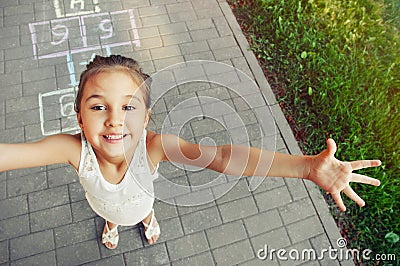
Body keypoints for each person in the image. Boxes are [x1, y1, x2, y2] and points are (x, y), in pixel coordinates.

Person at [0, 55, 381, 250]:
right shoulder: (71, 149)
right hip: (102, 203)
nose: (114, 120)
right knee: (108, 211)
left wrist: (304, 168)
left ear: (146, 118)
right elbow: (11, 155)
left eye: (128, 107)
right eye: (98, 107)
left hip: (142, 197)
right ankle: (113, 224)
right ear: (79, 118)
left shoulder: (154, 147)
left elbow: (221, 157)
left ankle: (146, 219)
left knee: (143, 206)